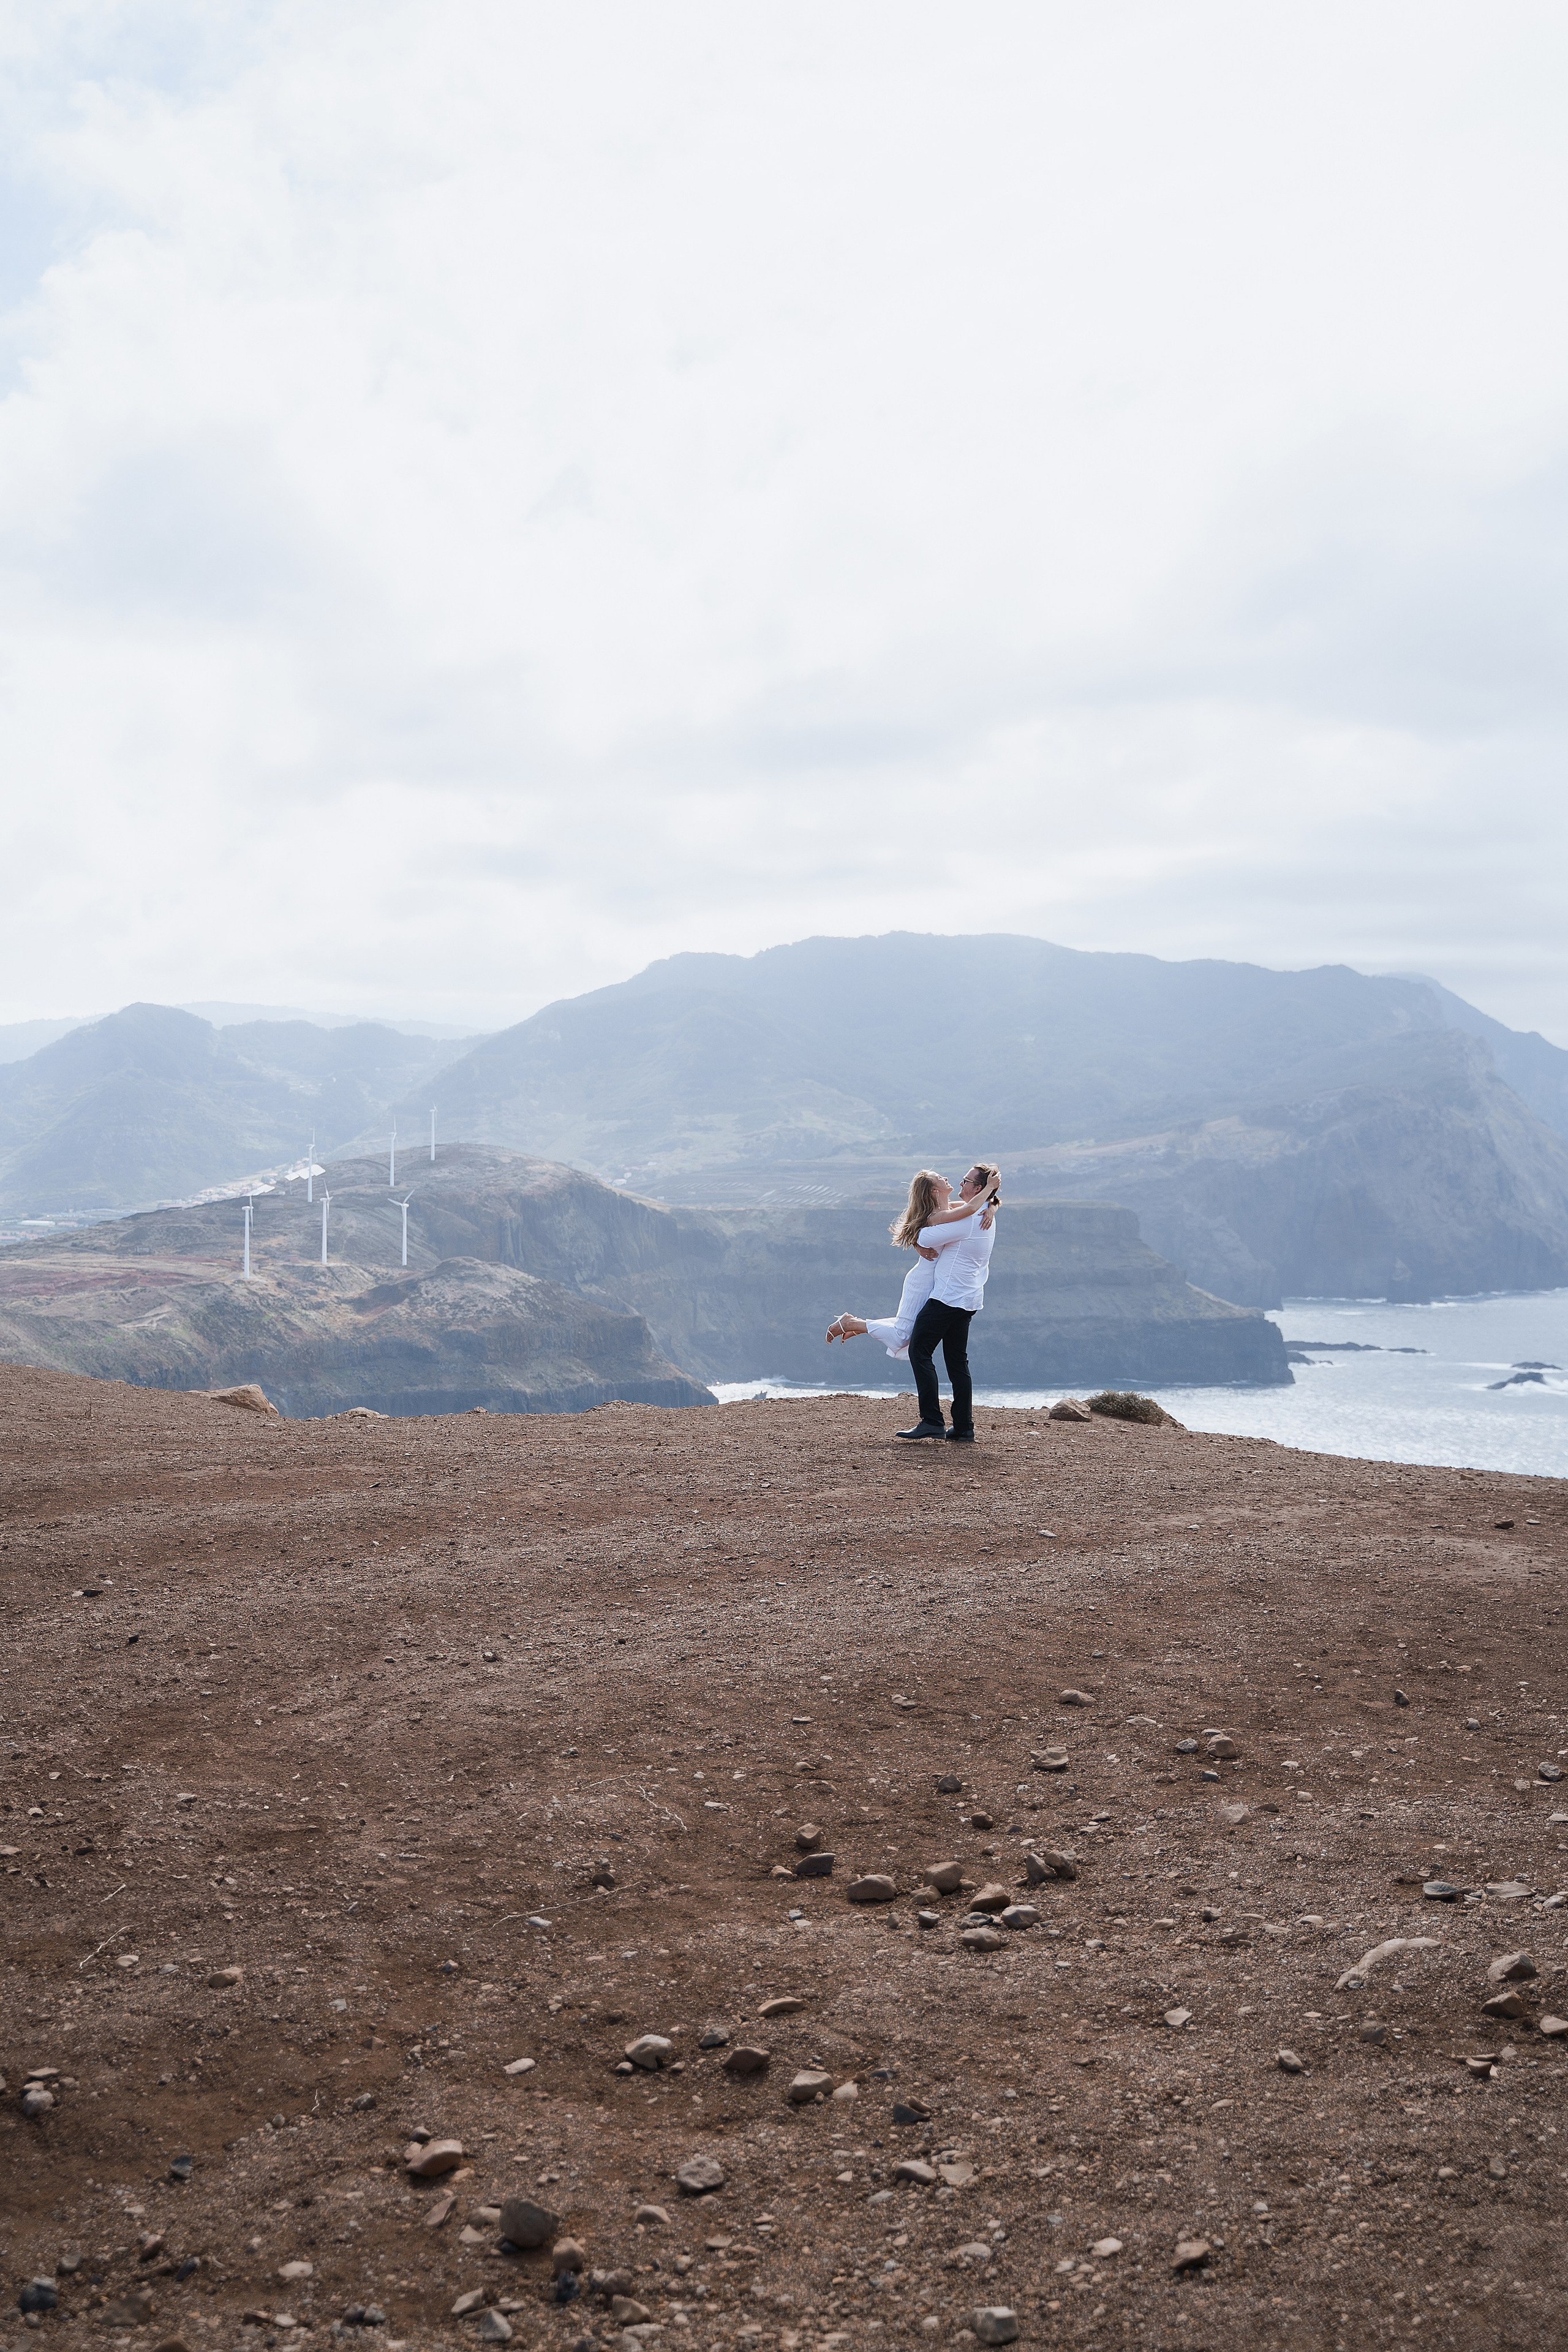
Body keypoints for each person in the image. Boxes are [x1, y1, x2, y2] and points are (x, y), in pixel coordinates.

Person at [825, 1169, 995, 1358]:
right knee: (902, 1336)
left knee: (909, 1329)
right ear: (933, 1191)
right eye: (939, 1179)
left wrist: (993, 1205)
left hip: (937, 1285)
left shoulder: (950, 1210)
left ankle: (858, 1324)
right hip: (922, 1281)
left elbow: (973, 1206)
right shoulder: (936, 1215)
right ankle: (853, 1324)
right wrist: (991, 1187)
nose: (946, 1178)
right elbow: (970, 1209)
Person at [896, 1159, 1001, 1444]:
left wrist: (917, 1240)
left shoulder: (967, 1220)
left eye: (966, 1181)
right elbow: (947, 1215)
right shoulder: (983, 1213)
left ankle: (931, 1421)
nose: (961, 1183)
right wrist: (992, 1201)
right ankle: (964, 1427)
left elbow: (922, 1231)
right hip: (969, 1300)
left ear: (978, 1187)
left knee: (920, 1352)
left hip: (947, 1299)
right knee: (957, 1363)